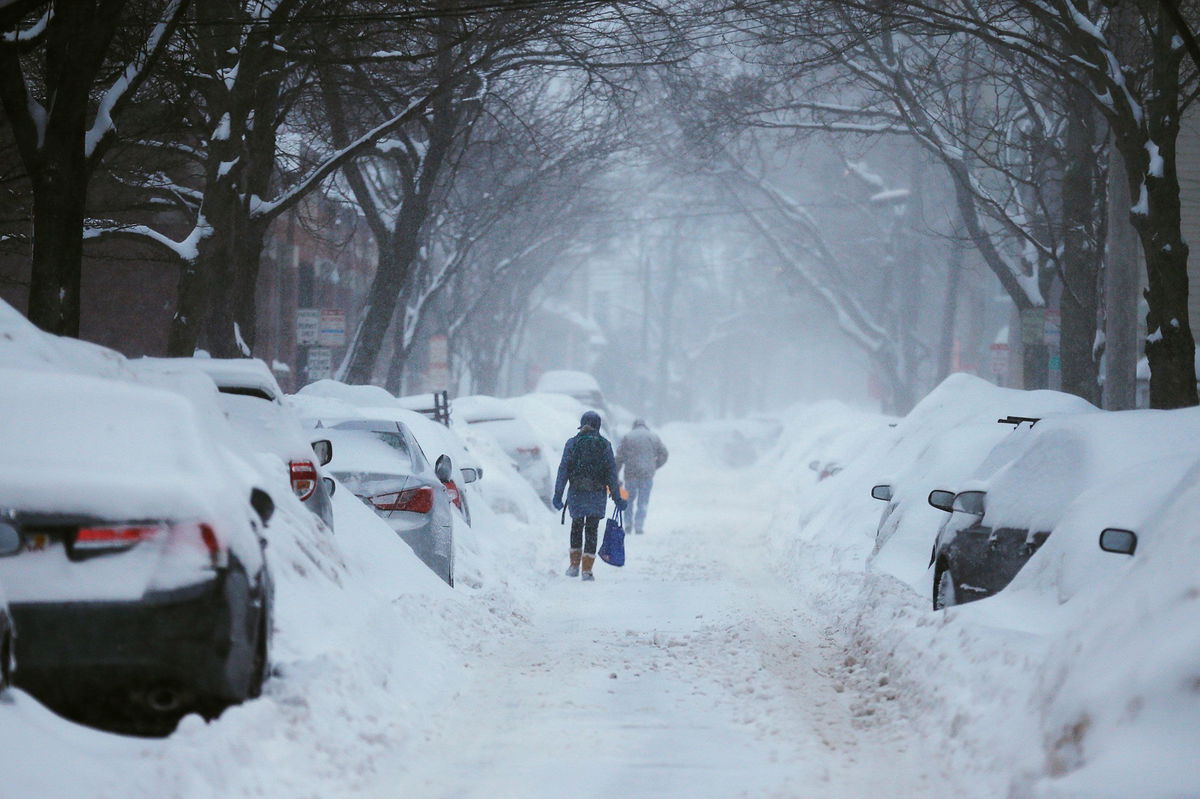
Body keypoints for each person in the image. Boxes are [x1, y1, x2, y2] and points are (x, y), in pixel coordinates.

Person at [553, 410, 626, 581]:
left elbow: (563, 470)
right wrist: (617, 497)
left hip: (577, 492)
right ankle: (587, 570)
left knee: (576, 527)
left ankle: (573, 566)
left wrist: (558, 494)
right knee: (592, 530)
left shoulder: (572, 443)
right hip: (596, 493)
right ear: (598, 425)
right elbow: (611, 474)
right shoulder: (605, 445)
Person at [615, 418, 668, 535]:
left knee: (628, 500)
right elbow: (664, 453)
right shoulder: (653, 437)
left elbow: (619, 457)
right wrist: (654, 465)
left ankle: (628, 523)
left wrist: (615, 473)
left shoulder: (628, 437)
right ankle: (639, 525)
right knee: (643, 501)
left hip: (631, 474)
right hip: (646, 475)